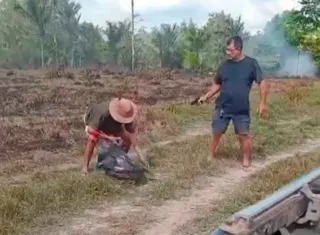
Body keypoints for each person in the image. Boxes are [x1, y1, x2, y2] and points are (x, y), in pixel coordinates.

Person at [198, 35, 268, 168]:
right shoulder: (224, 65)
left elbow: (262, 82)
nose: (227, 53)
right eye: (227, 50)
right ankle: (211, 154)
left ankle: (246, 160)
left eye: (230, 50)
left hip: (241, 109)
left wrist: (262, 103)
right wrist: (206, 96)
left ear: (239, 49)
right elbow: (217, 84)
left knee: (244, 135)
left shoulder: (251, 64)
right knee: (216, 132)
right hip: (223, 107)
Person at [82, 97, 148, 175]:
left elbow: (131, 133)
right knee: (92, 139)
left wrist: (138, 151)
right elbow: (91, 130)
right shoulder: (101, 112)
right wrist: (108, 137)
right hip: (95, 124)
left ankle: (121, 158)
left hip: (113, 124)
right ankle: (85, 167)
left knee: (127, 140)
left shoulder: (127, 112)